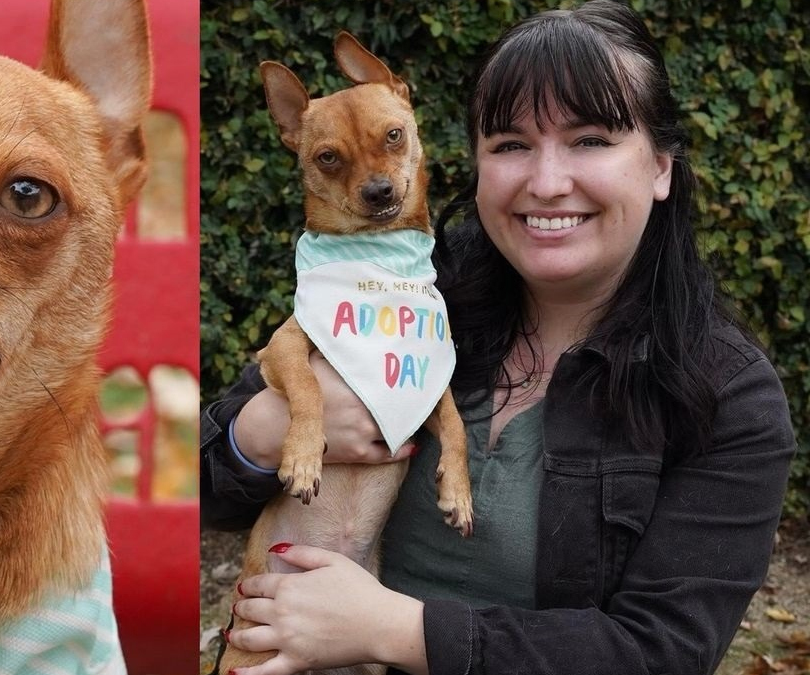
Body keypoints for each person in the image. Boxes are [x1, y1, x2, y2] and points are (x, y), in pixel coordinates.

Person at [199, 2, 796, 674]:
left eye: (591, 140)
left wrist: (394, 629)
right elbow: (200, 479)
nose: (546, 183)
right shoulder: (412, 283)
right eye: (511, 145)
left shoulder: (728, 397)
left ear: (660, 165)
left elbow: (662, 652)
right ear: (477, 160)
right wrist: (263, 428)